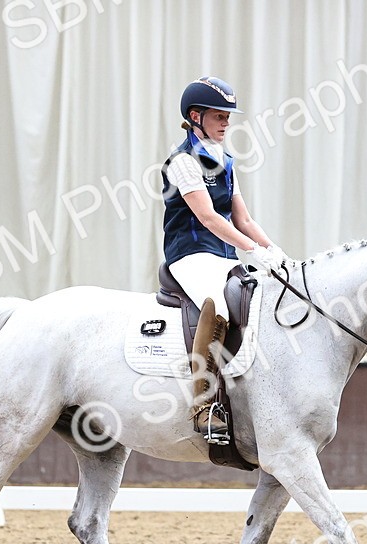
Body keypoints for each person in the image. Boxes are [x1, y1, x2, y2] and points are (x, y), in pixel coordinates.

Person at [160, 76, 283, 442]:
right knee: (220, 308)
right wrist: (253, 251)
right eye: (219, 116)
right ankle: (202, 406)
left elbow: (242, 218)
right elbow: (208, 218)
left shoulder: (226, 161)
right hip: (190, 253)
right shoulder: (183, 162)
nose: (226, 123)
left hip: (223, 254)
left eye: (228, 116)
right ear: (196, 116)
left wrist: (275, 251)